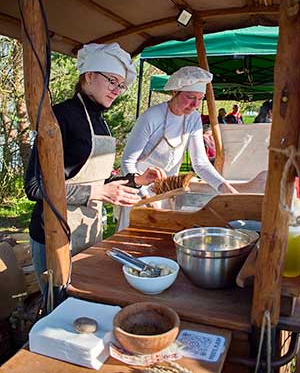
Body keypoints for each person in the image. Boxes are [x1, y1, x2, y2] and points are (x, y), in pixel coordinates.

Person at [25, 42, 164, 293]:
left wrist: (136, 180)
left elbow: (97, 180)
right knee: (58, 307)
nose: (117, 91)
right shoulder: (59, 116)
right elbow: (34, 188)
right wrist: (97, 193)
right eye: (112, 81)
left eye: (121, 85)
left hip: (88, 232)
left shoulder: (101, 120)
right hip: (54, 235)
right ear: (89, 75)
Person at [119, 66, 238, 230]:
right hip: (138, 191)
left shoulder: (193, 118)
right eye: (190, 97)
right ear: (175, 92)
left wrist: (225, 187)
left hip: (168, 190)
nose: (194, 105)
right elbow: (127, 162)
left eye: (200, 98)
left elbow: (201, 164)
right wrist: (145, 196)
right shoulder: (152, 117)